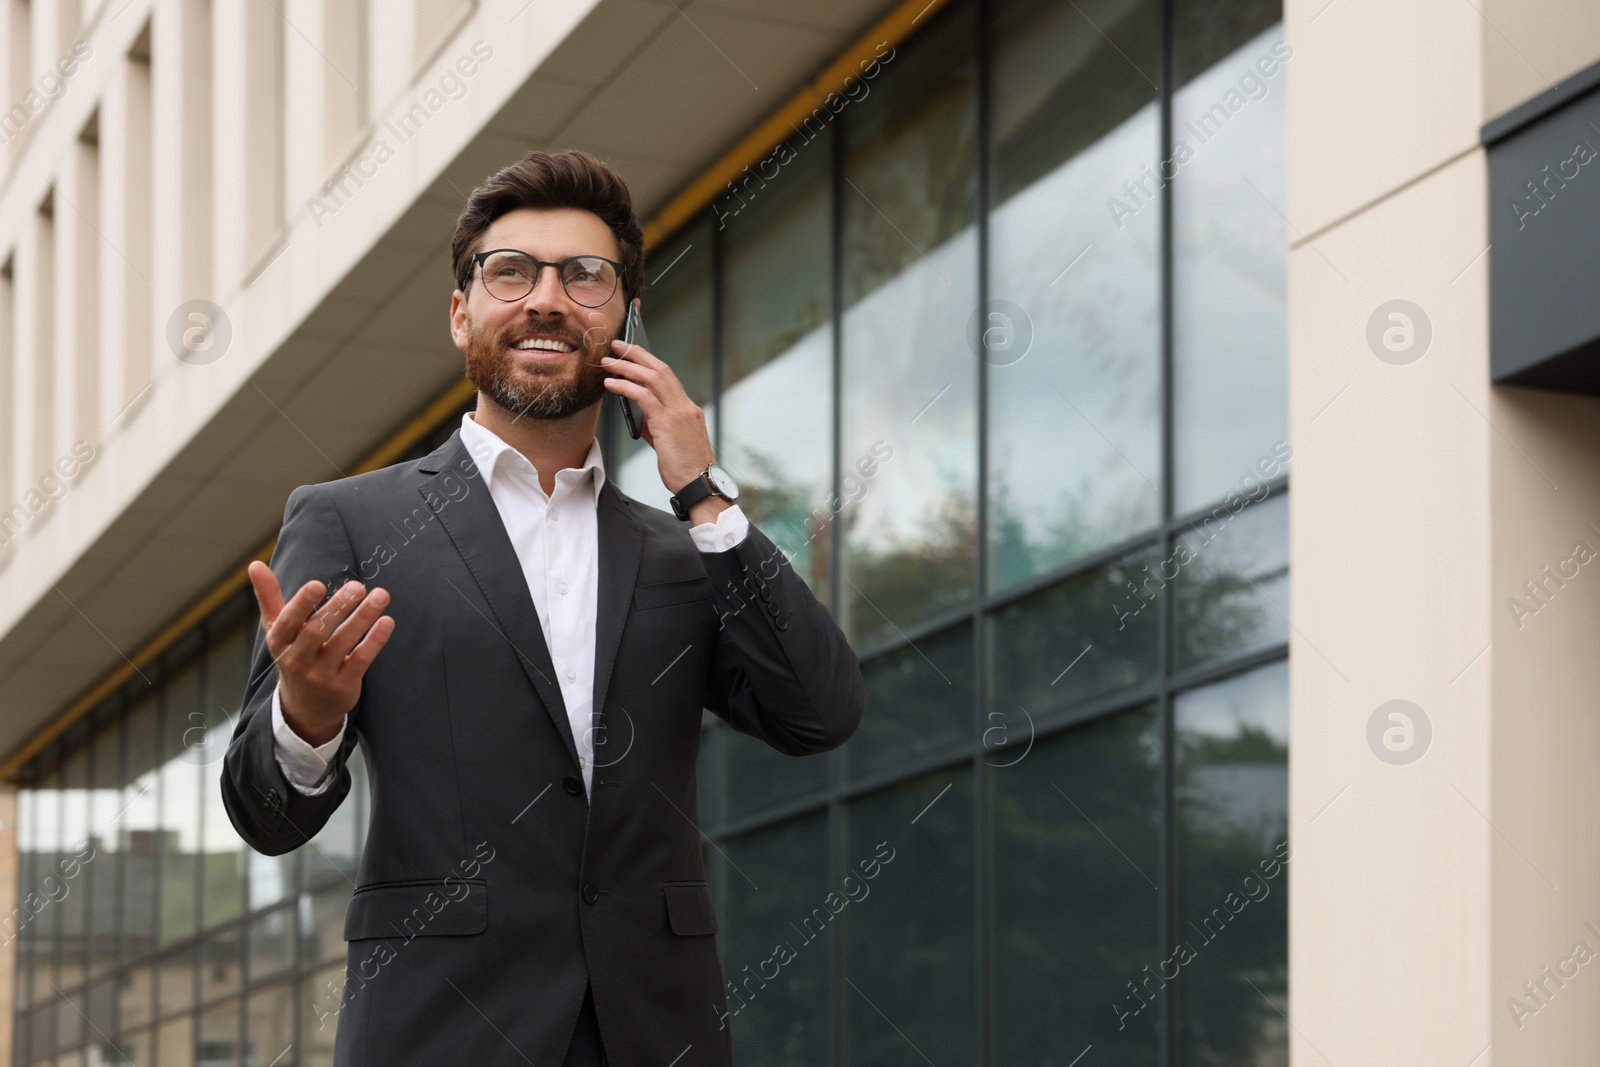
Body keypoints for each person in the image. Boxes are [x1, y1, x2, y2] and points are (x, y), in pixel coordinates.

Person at [221, 149, 864, 1067]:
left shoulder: (687, 549)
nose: (548, 299)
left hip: (654, 1029)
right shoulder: (349, 520)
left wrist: (705, 491)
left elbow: (820, 712)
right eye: (511, 271)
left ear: (627, 321)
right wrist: (307, 718)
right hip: (438, 1033)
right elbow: (264, 817)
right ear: (461, 313)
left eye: (586, 276)